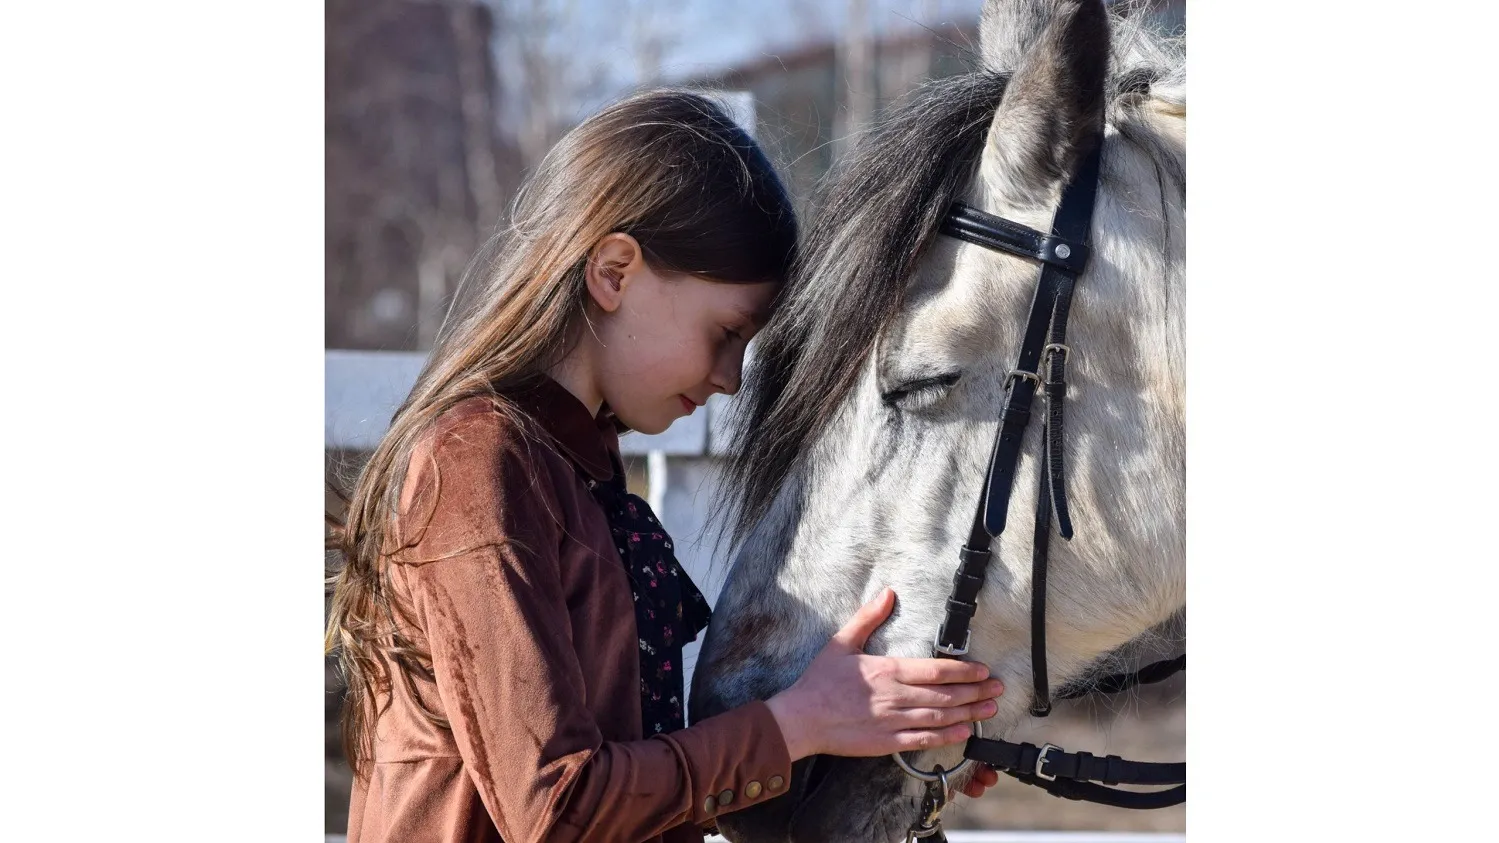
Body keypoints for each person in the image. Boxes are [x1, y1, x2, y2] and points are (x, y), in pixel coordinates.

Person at [325, 89, 1003, 843]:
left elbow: (640, 776)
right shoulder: (477, 462)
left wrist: (860, 754)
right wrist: (797, 724)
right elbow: (557, 810)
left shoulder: (573, 468)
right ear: (615, 271)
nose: (729, 377)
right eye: (725, 331)